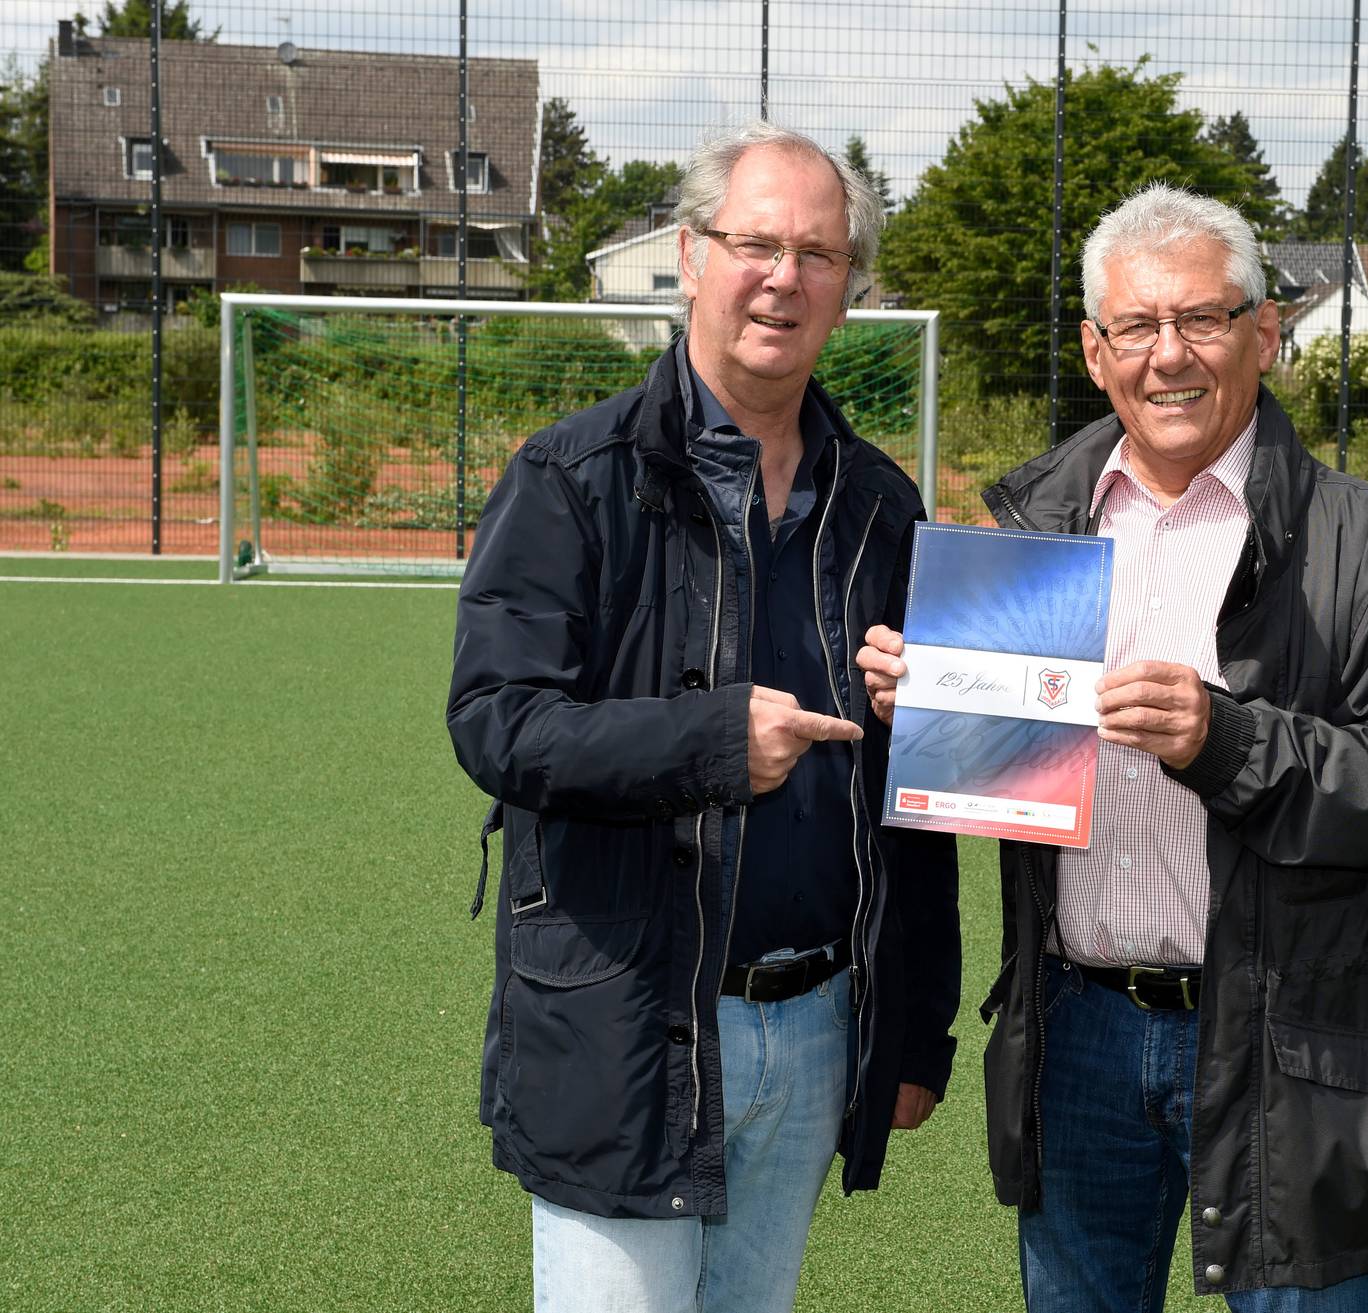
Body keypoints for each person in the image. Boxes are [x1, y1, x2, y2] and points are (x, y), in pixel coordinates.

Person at [858, 184, 1368, 1311]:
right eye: (1138, 327)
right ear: (1095, 353)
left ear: (1264, 333)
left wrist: (1225, 736)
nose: (1170, 355)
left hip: (1296, 1044)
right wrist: (935, 715)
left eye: (1201, 318)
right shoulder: (1028, 534)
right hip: (1079, 1027)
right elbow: (1002, 785)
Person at [447, 120, 961, 1313]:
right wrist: (711, 743)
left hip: (819, 1019)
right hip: (627, 1019)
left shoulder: (881, 503)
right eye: (756, 243)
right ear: (690, 255)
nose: (784, 277)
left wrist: (916, 1023)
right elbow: (496, 722)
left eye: (818, 253)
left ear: (850, 286)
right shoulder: (572, 478)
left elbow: (917, 779)